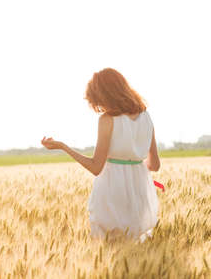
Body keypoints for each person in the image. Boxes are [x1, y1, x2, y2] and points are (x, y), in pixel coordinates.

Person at [41, 67, 161, 243]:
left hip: (112, 187)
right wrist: (133, 163)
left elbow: (96, 167)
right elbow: (155, 165)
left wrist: (63, 146)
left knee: (109, 243)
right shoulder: (146, 117)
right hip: (140, 189)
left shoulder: (107, 120)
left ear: (104, 94)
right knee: (136, 242)